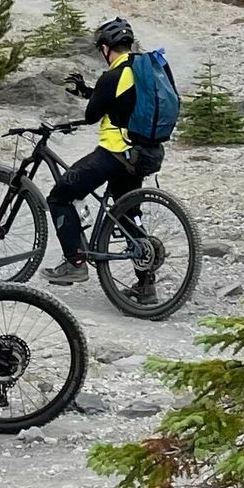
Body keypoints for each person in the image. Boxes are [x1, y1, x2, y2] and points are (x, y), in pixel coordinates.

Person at [45, 16, 170, 302]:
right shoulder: (142, 70)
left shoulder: (113, 75)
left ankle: (74, 263)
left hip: (114, 152)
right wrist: (88, 92)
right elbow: (122, 101)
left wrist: (91, 96)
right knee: (127, 214)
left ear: (105, 48)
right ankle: (146, 286)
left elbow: (92, 115)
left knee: (60, 196)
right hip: (143, 152)